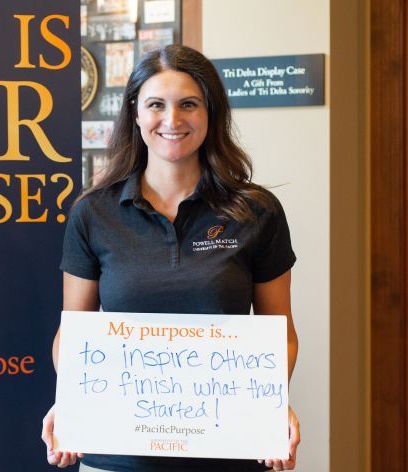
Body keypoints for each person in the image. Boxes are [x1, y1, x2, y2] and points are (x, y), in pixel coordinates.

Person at [42, 44, 300, 472]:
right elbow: (73, 333)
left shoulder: (257, 211)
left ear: (210, 113)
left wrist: (271, 405)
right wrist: (69, 401)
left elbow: (281, 334)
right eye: (156, 104)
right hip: (116, 456)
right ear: (136, 114)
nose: (172, 120)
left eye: (189, 105)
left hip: (229, 452)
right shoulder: (94, 212)